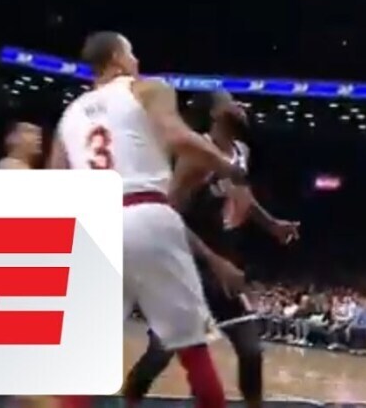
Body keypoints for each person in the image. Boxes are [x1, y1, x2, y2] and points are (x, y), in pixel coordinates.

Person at [51, 32, 251, 408]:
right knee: (193, 349)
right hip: (146, 213)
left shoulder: (70, 114)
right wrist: (228, 166)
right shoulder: (146, 89)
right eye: (132, 53)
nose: (137, 61)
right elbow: (178, 136)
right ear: (117, 57)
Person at [123, 90, 299, 408]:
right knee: (160, 353)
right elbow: (167, 214)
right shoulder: (195, 155)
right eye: (231, 101)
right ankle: (129, 400)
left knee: (251, 350)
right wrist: (214, 260)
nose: (240, 106)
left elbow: (243, 197)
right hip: (186, 261)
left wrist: (273, 224)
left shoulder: (241, 151)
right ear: (217, 114)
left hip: (221, 264)